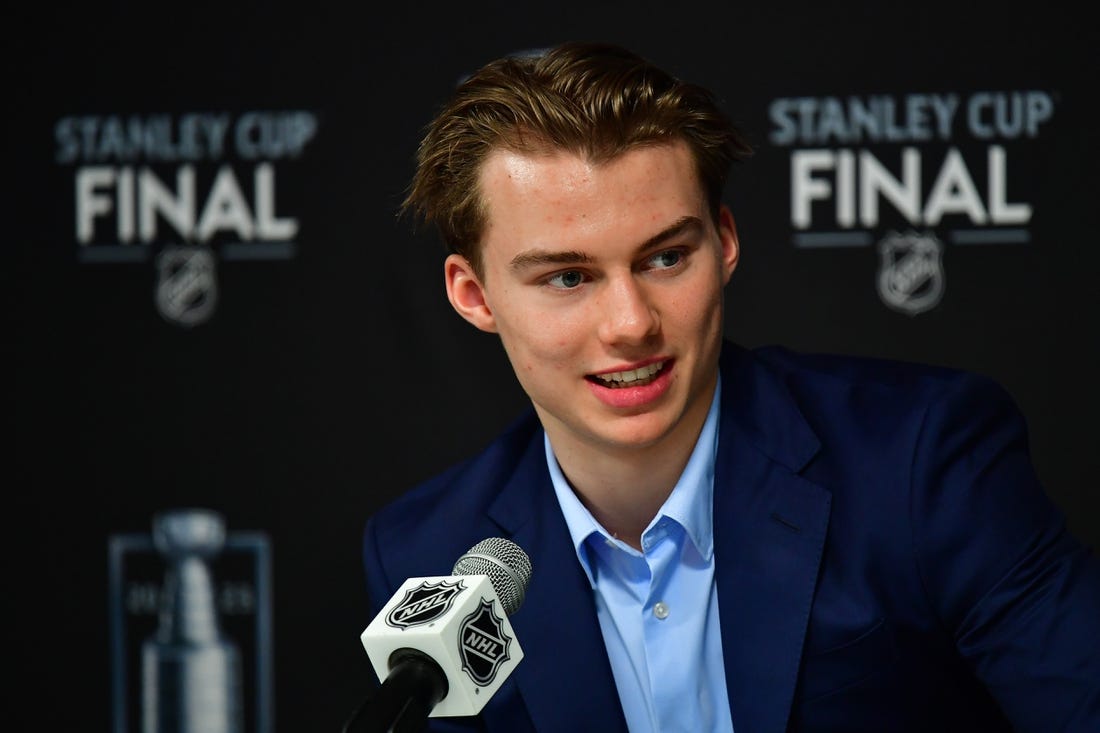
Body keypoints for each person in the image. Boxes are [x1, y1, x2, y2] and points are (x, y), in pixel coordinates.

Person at [361, 41, 1100, 732]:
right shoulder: (426, 551)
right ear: (474, 294)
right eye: (568, 276)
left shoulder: (922, 460)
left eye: (665, 258)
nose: (630, 323)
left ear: (725, 244)